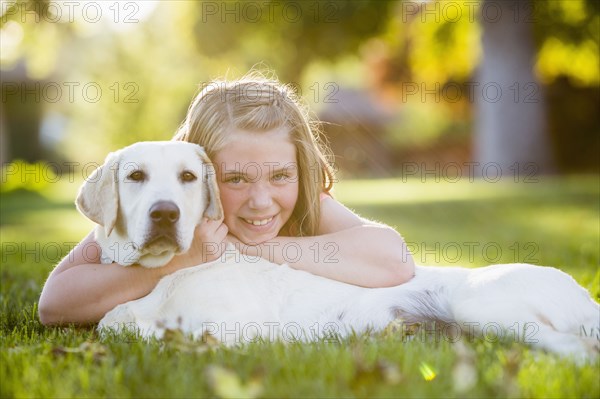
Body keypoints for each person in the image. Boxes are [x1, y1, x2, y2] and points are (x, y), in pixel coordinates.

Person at [38, 73, 415, 326]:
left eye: (280, 176)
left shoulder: (302, 204)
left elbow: (394, 261)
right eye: (235, 179)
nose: (262, 201)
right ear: (197, 179)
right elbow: (55, 305)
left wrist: (243, 248)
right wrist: (177, 260)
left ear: (299, 170)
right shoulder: (171, 206)